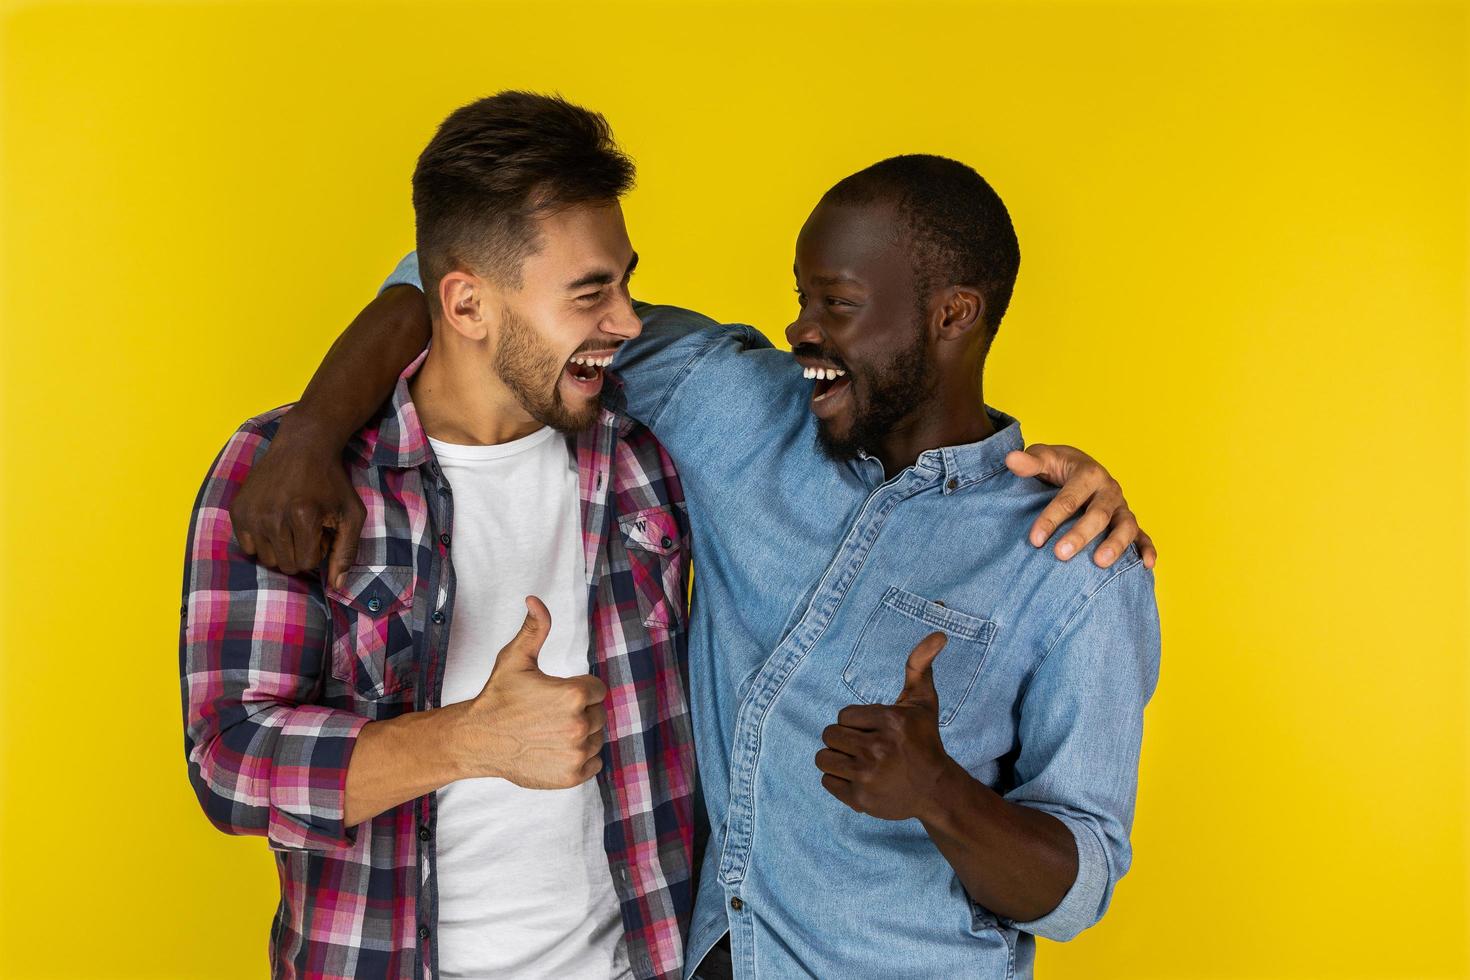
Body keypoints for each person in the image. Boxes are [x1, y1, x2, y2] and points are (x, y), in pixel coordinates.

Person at [224, 99, 1159, 978]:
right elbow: (455, 285)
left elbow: (1078, 887)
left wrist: (940, 792)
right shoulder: (732, 406)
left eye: (835, 304)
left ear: (953, 316)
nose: (799, 329)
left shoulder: (1073, 563)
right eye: (800, 295)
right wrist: (311, 433)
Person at [182, 93, 696, 980]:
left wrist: (1014, 469)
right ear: (464, 305)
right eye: (590, 293)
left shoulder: (650, 457)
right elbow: (230, 760)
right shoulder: (289, 470)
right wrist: (472, 740)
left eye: (624, 281)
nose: (629, 322)